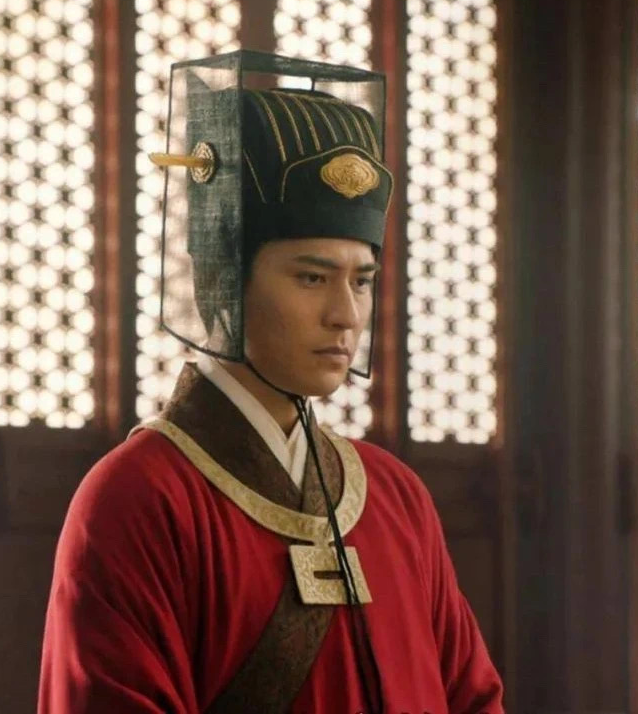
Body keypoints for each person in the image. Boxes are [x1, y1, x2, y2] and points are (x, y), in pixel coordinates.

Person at [38, 51, 503, 713]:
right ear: (225, 278)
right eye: (312, 277)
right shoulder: (137, 499)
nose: (346, 314)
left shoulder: (397, 498)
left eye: (361, 280)